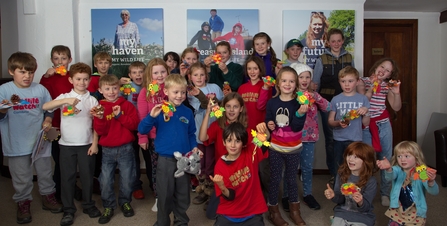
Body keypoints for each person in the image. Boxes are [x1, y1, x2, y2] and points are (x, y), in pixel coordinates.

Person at [0, 52, 62, 224]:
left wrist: (48, 119)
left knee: (45, 172)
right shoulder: (4, 90)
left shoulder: (40, 89)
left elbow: (49, 108)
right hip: (16, 142)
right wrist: (6, 105)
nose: (27, 76)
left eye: (31, 72)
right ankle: (23, 202)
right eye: (22, 72)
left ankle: (48, 197)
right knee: (21, 176)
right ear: (12, 71)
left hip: (39, 140)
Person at [42, 62, 101, 226]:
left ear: (89, 80)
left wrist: (94, 143)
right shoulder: (63, 97)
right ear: (71, 80)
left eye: (85, 79)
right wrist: (66, 100)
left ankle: (89, 205)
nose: (82, 82)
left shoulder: (92, 100)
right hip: (66, 145)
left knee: (87, 177)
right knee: (67, 177)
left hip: (86, 144)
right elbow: (45, 106)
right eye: (78, 79)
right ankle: (68, 209)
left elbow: (97, 124)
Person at [138, 73, 200, 226]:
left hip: (184, 160)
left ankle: (181, 221)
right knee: (164, 194)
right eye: (176, 92)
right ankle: (162, 222)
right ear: (166, 92)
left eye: (183, 92)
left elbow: (191, 134)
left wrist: (194, 148)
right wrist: (151, 116)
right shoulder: (159, 110)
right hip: (165, 159)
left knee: (183, 194)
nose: (180, 95)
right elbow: (142, 129)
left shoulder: (187, 112)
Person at [91, 74, 139, 224]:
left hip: (126, 149)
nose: (111, 92)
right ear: (100, 90)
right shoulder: (99, 107)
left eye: (114, 88)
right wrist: (99, 118)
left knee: (127, 179)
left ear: (120, 89)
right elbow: (101, 131)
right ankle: (108, 206)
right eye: (107, 89)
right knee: (105, 181)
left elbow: (134, 125)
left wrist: (119, 116)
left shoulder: (126, 105)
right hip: (107, 150)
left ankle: (125, 202)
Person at [283, 63, 330, 211]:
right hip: (292, 138)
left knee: (307, 168)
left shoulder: (314, 95)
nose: (304, 80)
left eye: (307, 77)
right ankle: (286, 196)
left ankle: (308, 194)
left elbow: (328, 107)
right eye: (301, 77)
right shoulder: (290, 95)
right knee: (289, 168)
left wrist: (316, 98)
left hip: (309, 138)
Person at [265, 67, 307, 226]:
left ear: (296, 85)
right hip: (276, 148)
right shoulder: (272, 102)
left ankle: (295, 211)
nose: (287, 84)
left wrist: (300, 114)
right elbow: (269, 120)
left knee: (291, 179)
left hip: (293, 149)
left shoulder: (299, 103)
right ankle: (273, 211)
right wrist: (269, 124)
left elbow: (297, 127)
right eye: (284, 80)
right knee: (275, 179)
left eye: (291, 81)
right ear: (278, 83)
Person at [312, 28, 354, 183]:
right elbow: (315, 84)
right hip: (328, 104)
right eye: (333, 41)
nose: (336, 43)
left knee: (348, 138)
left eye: (339, 40)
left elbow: (354, 79)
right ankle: (334, 173)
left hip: (346, 104)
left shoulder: (349, 57)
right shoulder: (321, 59)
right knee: (331, 139)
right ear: (327, 42)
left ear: (342, 41)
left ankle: (347, 172)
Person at [360, 58, 402, 207]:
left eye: (388, 70)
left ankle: (385, 193)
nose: (383, 70)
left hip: (383, 124)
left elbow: (396, 107)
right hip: (365, 124)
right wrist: (372, 86)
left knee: (386, 158)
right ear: (376, 66)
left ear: (390, 75)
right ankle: (365, 192)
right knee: (365, 159)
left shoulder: (387, 86)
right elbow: (363, 100)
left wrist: (396, 93)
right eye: (382, 66)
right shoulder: (361, 81)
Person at [210, 122, 268, 225]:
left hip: (252, 212)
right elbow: (230, 196)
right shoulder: (220, 166)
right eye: (229, 140)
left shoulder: (251, 152)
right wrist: (222, 187)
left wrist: (264, 130)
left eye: (237, 141)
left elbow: (265, 140)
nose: (232, 145)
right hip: (229, 214)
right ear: (224, 142)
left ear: (244, 143)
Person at [40, 45, 77, 202]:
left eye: (63, 58)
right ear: (51, 60)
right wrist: (45, 75)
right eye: (56, 59)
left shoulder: (72, 77)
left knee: (71, 158)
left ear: (70, 60)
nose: (60, 62)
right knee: (59, 158)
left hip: (71, 123)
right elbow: (43, 98)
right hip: (54, 123)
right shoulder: (47, 78)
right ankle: (59, 192)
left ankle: (71, 187)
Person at [186, 62, 224, 205]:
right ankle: (203, 189)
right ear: (190, 77)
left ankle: (211, 191)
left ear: (206, 75)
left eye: (202, 74)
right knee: (200, 163)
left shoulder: (214, 87)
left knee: (211, 163)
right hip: (199, 133)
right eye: (196, 75)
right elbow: (203, 105)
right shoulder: (190, 92)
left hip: (215, 132)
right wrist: (201, 95)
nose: (199, 77)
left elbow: (220, 104)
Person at [376, 141, 439, 226]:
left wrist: (431, 182)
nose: (402, 159)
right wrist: (388, 169)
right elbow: (390, 176)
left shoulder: (422, 173)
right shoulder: (397, 169)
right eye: (399, 156)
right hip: (398, 210)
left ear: (416, 157)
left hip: (416, 212)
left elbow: (434, 192)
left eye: (406, 156)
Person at [328, 66, 370, 176]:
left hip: (356, 139)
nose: (346, 85)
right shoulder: (336, 99)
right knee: (339, 167)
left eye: (350, 81)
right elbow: (330, 121)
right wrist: (338, 123)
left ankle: (353, 191)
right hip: (339, 140)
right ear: (339, 82)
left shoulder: (362, 99)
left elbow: (366, 123)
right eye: (343, 81)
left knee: (355, 168)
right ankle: (338, 192)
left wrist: (366, 112)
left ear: (357, 81)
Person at [324, 142, 377, 226]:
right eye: (349, 155)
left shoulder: (371, 181)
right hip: (342, 213)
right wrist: (333, 196)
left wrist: (361, 202)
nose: (351, 159)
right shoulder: (341, 174)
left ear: (366, 160)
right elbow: (340, 200)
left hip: (363, 216)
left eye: (355, 157)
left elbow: (366, 207)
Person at [121, 61, 148, 200]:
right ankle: (136, 186)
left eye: (141, 71)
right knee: (133, 159)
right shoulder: (127, 87)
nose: (138, 75)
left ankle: (154, 184)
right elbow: (119, 101)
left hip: (146, 127)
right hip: (131, 127)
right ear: (129, 75)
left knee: (149, 158)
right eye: (134, 72)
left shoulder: (149, 87)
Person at [237, 56, 272, 130]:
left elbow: (261, 106)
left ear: (260, 69)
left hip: (261, 129)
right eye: (249, 69)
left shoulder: (266, 86)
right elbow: (238, 109)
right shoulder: (242, 88)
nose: (252, 72)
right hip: (244, 128)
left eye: (255, 69)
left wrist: (265, 88)